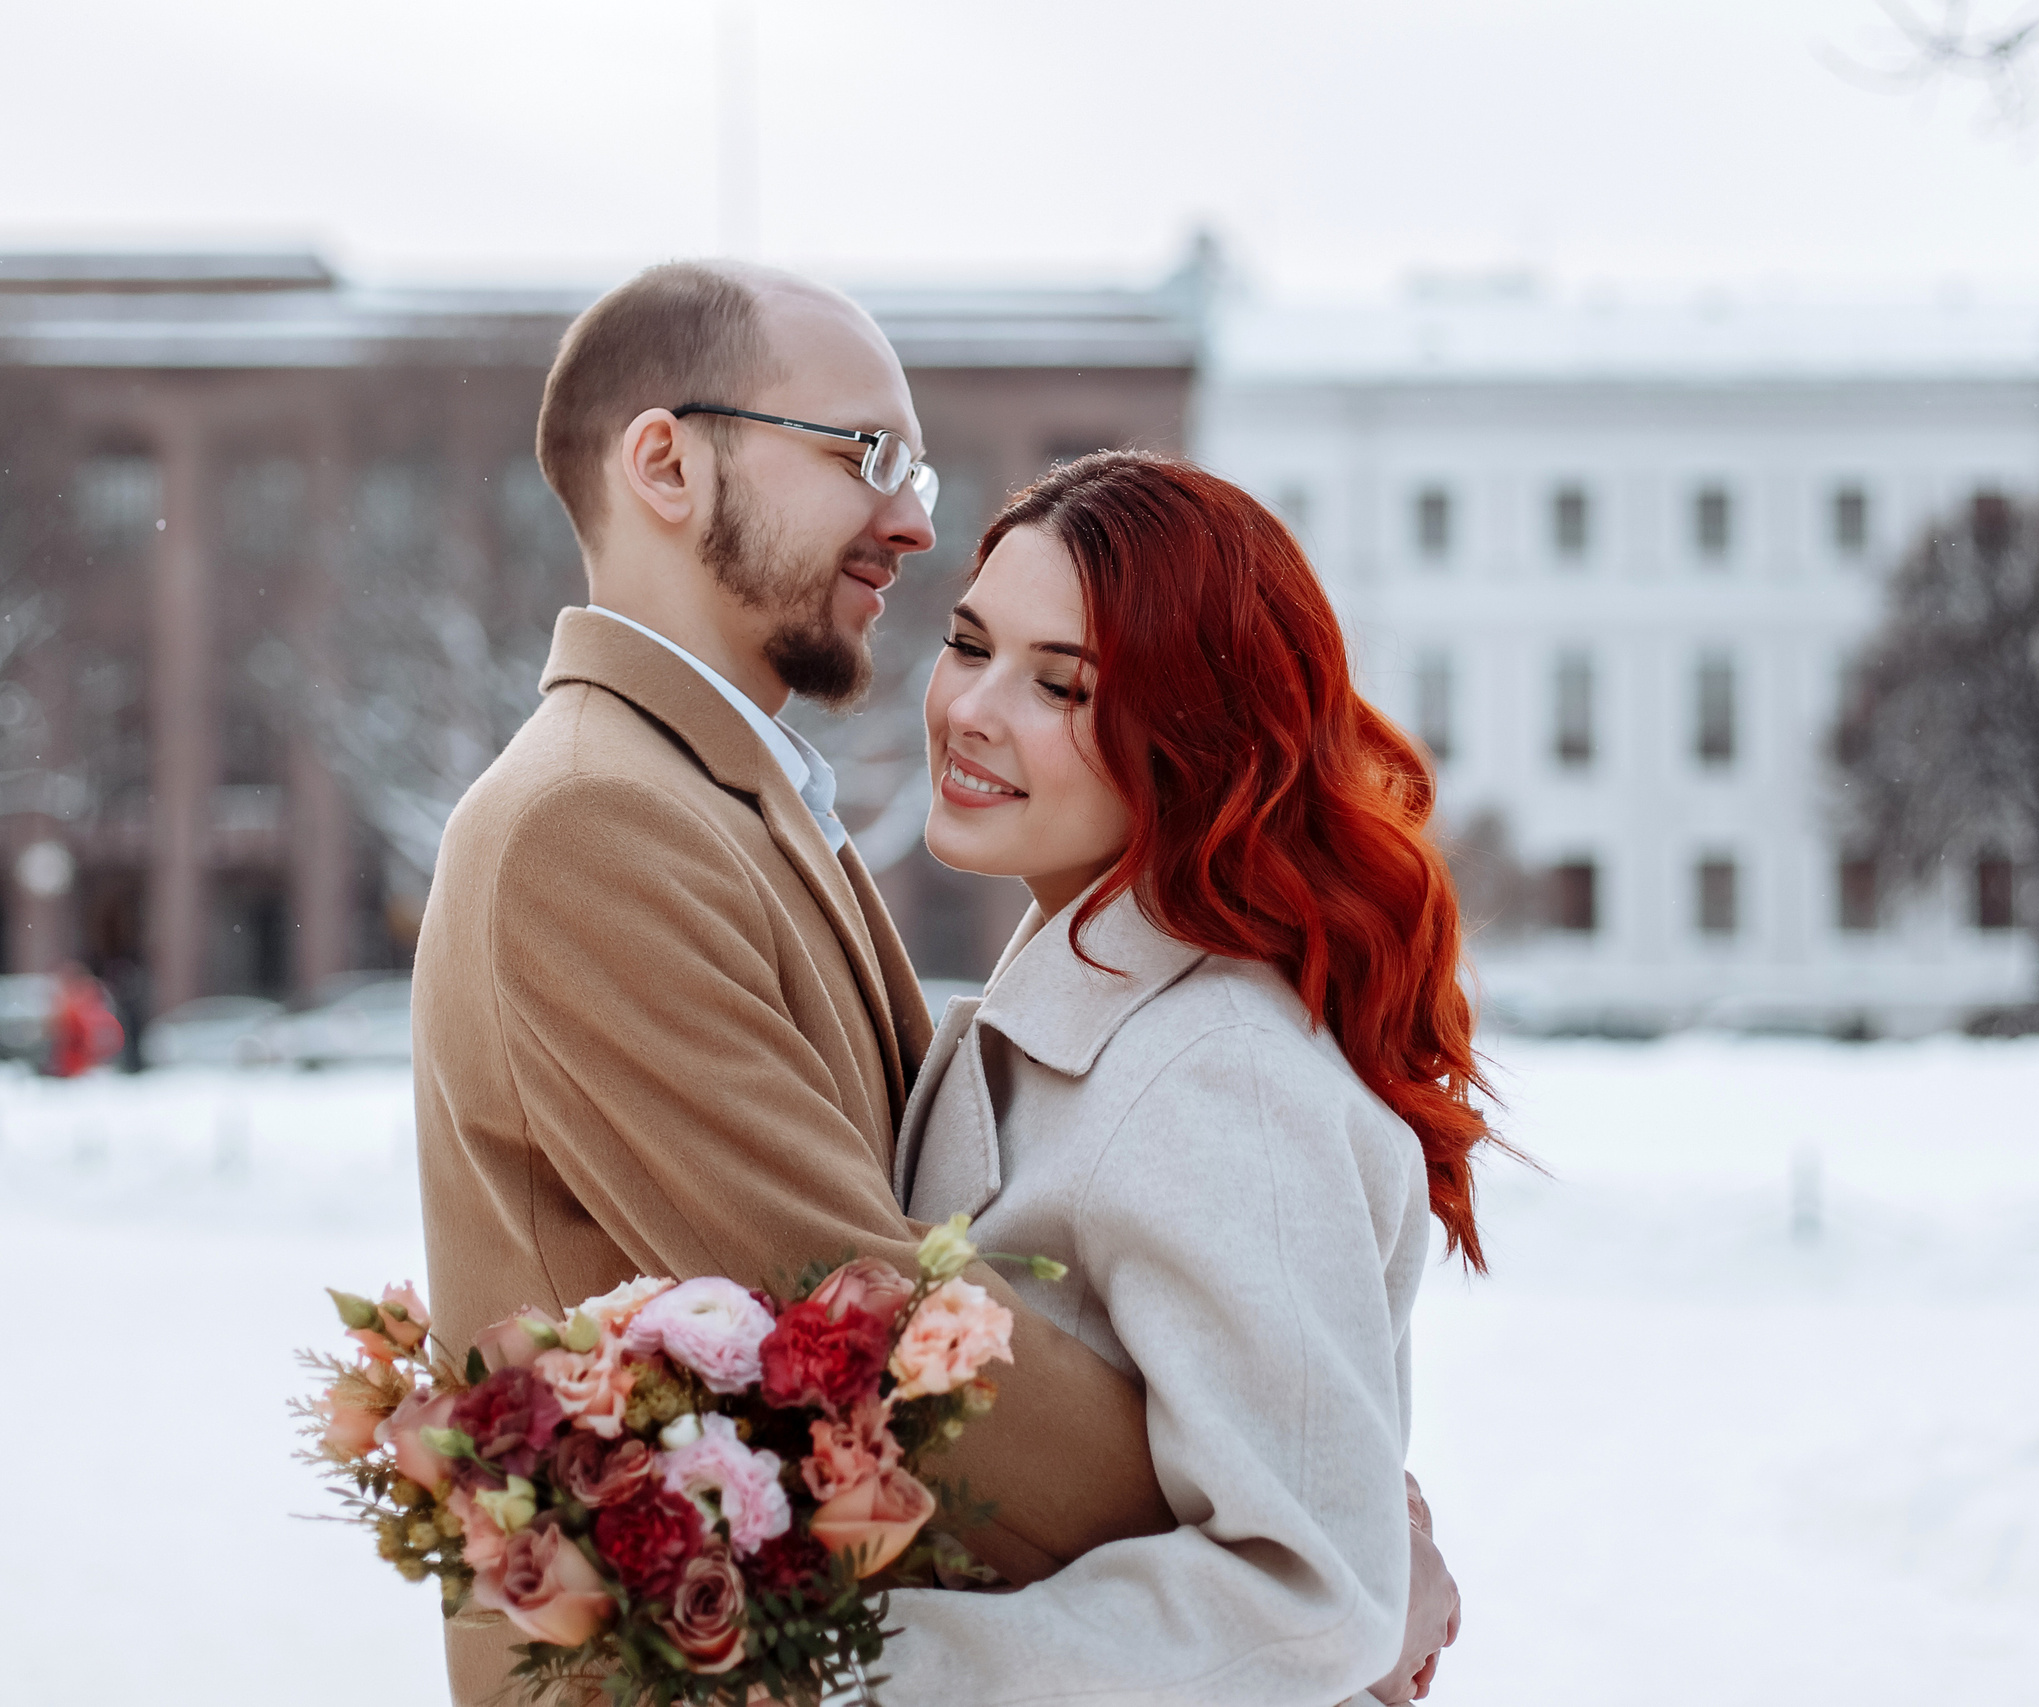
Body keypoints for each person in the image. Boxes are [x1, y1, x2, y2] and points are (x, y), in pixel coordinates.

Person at [410, 261, 1459, 1704]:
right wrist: (1339, 1560)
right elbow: (852, 1311)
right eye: (865, 456)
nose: (910, 517)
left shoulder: (747, 805)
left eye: (1063, 680)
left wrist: (1319, 1548)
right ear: (665, 461)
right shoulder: (595, 817)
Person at [882, 453, 1486, 1704]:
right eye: (968, 643)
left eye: (1060, 683)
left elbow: (1308, 1593)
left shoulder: (1217, 1076)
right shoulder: (1069, 1009)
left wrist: (849, 1681)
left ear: (1195, 735)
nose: (973, 710)